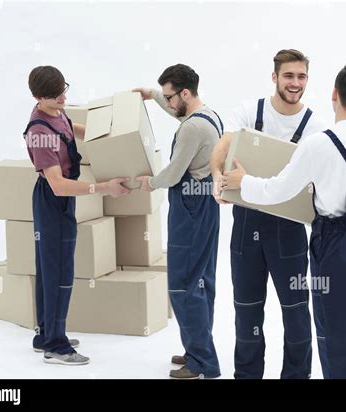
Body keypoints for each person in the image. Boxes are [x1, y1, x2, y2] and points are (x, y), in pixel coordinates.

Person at [222, 64, 346, 379]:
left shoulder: (319, 143)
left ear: (334, 94)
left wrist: (244, 181)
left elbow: (277, 191)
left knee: (336, 338)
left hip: (335, 247)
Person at [210, 49, 327, 379]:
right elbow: (225, 143)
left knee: (296, 313)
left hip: (289, 229)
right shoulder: (250, 112)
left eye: (301, 76)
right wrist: (218, 176)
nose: (295, 83)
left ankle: (296, 376)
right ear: (274, 77)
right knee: (246, 312)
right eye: (288, 76)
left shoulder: (315, 126)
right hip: (246, 226)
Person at [24, 66, 130, 365]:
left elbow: (73, 129)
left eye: (63, 91)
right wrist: (103, 187)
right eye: (55, 96)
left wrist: (110, 133)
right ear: (37, 97)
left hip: (60, 199)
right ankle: (56, 347)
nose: (63, 98)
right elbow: (58, 185)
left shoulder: (56, 111)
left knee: (48, 268)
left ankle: (45, 333)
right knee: (59, 272)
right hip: (53, 200)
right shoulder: (39, 133)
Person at [134, 64, 223, 380]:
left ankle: (202, 363)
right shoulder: (208, 115)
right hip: (205, 207)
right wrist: (152, 95)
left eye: (170, 97)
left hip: (190, 207)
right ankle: (199, 348)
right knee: (202, 281)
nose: (168, 104)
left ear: (185, 93)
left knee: (183, 285)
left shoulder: (192, 129)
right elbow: (175, 112)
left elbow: (173, 173)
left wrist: (149, 182)